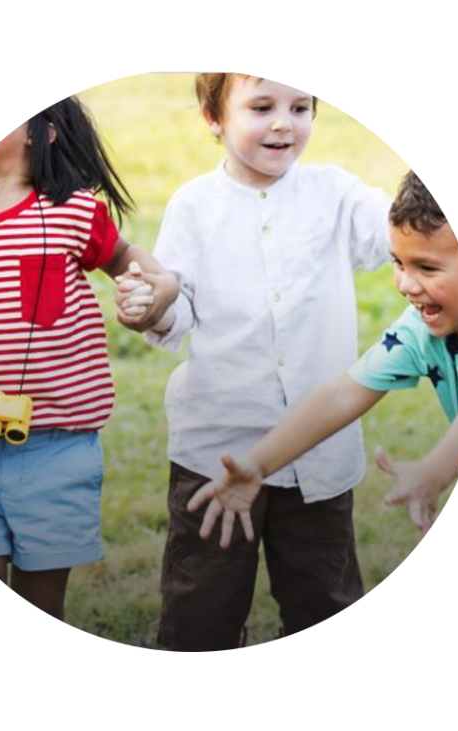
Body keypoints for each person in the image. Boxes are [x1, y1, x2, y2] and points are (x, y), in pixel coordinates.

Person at [116, 73, 393, 651]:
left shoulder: (335, 193)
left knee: (324, 597)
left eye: (301, 107)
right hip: (216, 451)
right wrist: (155, 307)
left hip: (318, 455)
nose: (282, 123)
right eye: (261, 106)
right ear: (213, 119)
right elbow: (174, 310)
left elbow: (400, 230)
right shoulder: (194, 205)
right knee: (202, 608)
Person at [0, 96, 178, 622]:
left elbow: (126, 259)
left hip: (58, 446)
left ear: (43, 134)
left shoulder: (73, 210)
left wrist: (157, 286)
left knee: (42, 597)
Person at [189, 169, 458, 546]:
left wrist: (433, 472)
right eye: (399, 263)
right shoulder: (421, 332)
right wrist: (258, 464)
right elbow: (342, 394)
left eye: (427, 267)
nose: (406, 285)